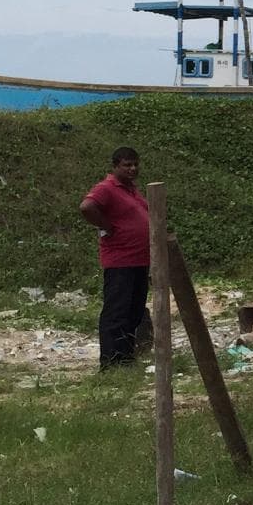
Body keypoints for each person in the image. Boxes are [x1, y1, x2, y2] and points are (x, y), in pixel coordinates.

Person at [80, 146, 150, 368]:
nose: (132, 169)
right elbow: (87, 207)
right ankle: (110, 362)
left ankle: (126, 357)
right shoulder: (107, 188)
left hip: (140, 260)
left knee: (134, 311)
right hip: (120, 260)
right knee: (117, 311)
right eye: (127, 165)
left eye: (135, 164)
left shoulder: (132, 190)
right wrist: (107, 226)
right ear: (115, 166)